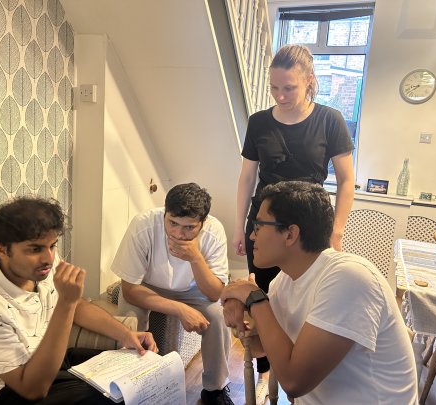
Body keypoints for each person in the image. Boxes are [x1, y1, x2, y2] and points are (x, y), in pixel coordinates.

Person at [232, 44, 355, 401]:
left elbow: (347, 180)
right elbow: (247, 177)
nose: (280, 95)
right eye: (274, 87)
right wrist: (240, 226)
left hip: (311, 223)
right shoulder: (259, 122)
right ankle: (265, 371)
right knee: (264, 294)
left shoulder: (330, 119)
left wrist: (337, 231)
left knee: (306, 297)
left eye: (289, 87)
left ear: (309, 82)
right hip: (266, 223)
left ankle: (300, 366)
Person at [223, 181, 418, 404]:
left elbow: (294, 382)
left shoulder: (349, 278)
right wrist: (240, 306)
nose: (251, 236)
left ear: (290, 234)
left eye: (258, 226)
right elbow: (260, 348)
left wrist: (255, 300)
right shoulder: (283, 281)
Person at [0, 197, 157, 405]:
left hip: (51, 362)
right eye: (35, 249)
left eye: (52, 246)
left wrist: (125, 335)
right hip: (8, 391)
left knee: (136, 369)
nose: (49, 258)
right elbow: (32, 390)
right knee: (110, 398)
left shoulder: (41, 265)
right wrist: (66, 303)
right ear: (2, 250)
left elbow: (78, 306)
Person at [111, 183, 233, 405]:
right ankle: (130, 384)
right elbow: (129, 290)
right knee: (129, 318)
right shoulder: (143, 225)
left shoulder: (214, 231)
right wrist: (179, 309)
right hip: (147, 286)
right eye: (173, 223)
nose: (178, 233)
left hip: (193, 290)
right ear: (165, 213)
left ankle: (214, 390)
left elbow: (215, 293)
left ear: (203, 223)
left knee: (218, 317)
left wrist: (196, 258)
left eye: (189, 227)